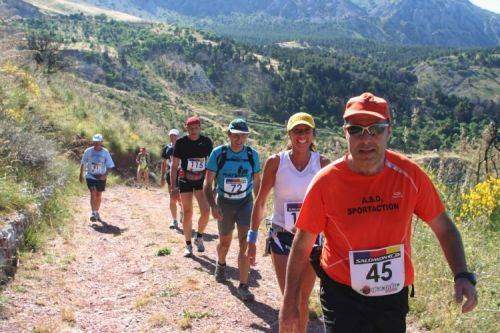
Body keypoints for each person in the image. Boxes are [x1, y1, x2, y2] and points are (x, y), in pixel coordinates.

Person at [280, 92, 478, 333]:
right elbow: (302, 245)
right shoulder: (326, 182)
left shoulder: (409, 176)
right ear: (345, 132)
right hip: (341, 292)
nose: (366, 139)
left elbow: (444, 227)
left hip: (392, 295)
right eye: (356, 130)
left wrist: (462, 274)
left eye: (376, 129)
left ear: (389, 131)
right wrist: (289, 302)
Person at [246, 113, 330, 330]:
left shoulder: (322, 164)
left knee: (302, 300)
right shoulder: (276, 162)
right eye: (297, 131)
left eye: (306, 131)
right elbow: (261, 201)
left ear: (312, 134)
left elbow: (331, 209)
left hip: (313, 238)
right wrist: (252, 239)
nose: (302, 136)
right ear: (289, 134)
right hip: (282, 235)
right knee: (289, 299)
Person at [203, 119, 262, 301]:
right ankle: (221, 264)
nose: (239, 139)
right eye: (235, 135)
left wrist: (258, 206)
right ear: (228, 134)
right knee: (225, 242)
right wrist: (213, 206)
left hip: (245, 203)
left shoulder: (252, 155)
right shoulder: (218, 154)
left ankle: (243, 286)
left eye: (243, 135)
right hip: (225, 203)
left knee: (245, 242)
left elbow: (257, 182)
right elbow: (207, 184)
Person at [170, 116, 213, 257]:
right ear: (186, 128)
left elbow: (212, 165)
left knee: (206, 211)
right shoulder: (181, 143)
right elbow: (174, 166)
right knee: (188, 213)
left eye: (196, 128)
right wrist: (173, 187)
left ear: (200, 128)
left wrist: (212, 184)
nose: (194, 131)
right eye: (191, 128)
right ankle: (188, 245)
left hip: (201, 182)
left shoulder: (206, 142)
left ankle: (199, 236)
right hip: (185, 181)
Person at [79, 134, 115, 222]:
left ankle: (96, 212)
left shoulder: (105, 152)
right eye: (95, 142)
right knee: (93, 192)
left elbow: (110, 166)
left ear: (101, 142)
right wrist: (80, 175)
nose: (96, 144)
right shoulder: (88, 151)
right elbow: (83, 163)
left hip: (101, 177)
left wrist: (105, 175)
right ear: (93, 142)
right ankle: (93, 212)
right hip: (90, 175)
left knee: (99, 195)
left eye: (98, 142)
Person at [161, 129, 183, 229]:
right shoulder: (167, 148)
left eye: (174, 135)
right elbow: (164, 162)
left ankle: (182, 209)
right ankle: (174, 220)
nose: (172, 137)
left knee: (180, 197)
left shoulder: (184, 147)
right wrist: (162, 175)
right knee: (172, 197)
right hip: (170, 173)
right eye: (171, 135)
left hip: (181, 174)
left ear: (178, 137)